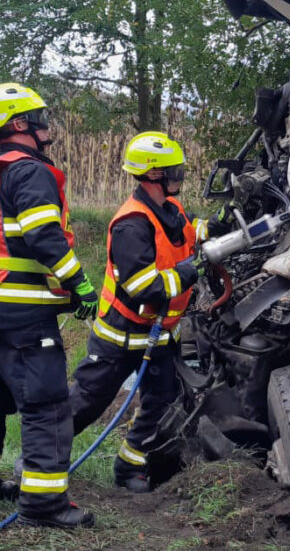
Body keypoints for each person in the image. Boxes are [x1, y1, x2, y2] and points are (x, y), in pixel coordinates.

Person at [0, 83, 100, 528]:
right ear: (20, 124)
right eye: (39, 117)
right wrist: (80, 286)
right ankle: (43, 504)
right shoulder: (30, 171)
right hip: (23, 312)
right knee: (47, 403)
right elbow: (43, 238)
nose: (45, 124)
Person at [68, 131, 210, 493]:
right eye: (173, 170)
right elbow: (141, 288)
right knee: (87, 401)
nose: (179, 175)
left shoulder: (171, 209)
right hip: (120, 336)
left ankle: (129, 467)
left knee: (160, 404)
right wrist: (188, 273)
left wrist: (216, 230)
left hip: (160, 336)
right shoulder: (132, 223)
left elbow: (187, 236)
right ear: (152, 175)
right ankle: (40, 459)